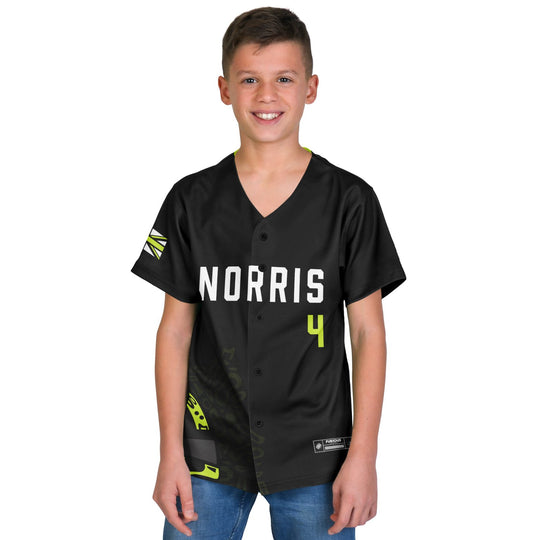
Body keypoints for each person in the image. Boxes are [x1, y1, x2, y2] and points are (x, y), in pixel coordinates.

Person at [131, 6, 406, 539]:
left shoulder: (350, 200)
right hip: (209, 447)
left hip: (318, 450)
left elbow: (368, 333)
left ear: (311, 88)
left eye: (284, 78)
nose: (266, 95)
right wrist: (169, 454)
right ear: (224, 89)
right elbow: (174, 331)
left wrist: (364, 456)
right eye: (249, 79)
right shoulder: (191, 199)